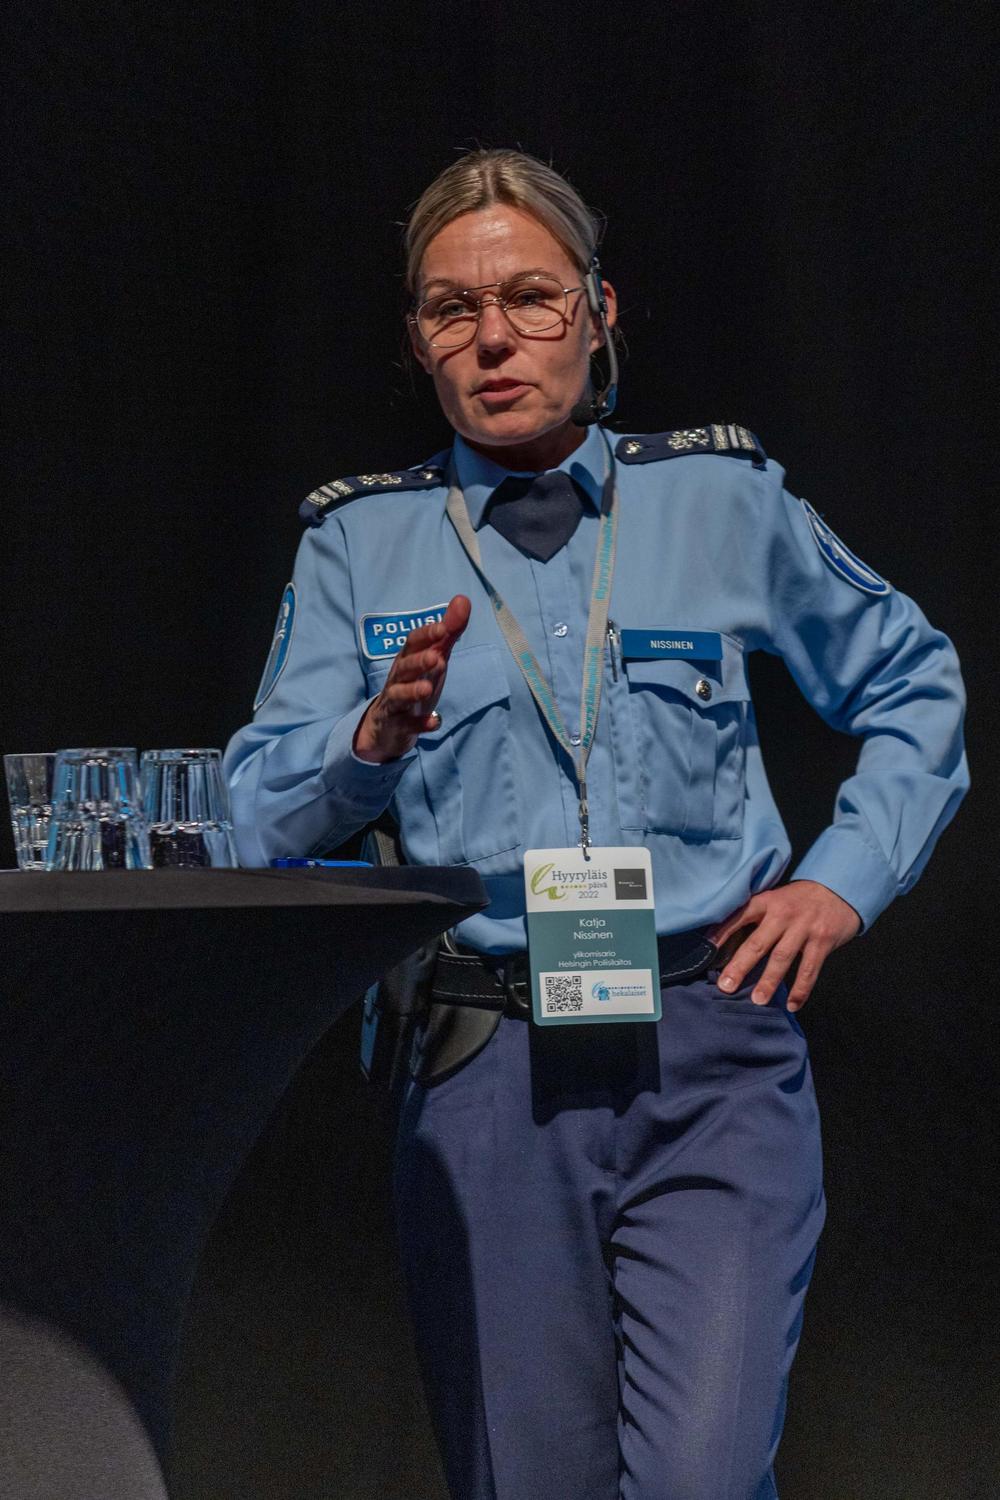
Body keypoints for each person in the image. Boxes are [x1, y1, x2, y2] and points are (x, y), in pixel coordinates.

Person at [224, 149, 968, 1500]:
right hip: (488, 1068)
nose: (493, 337)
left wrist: (843, 880)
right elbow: (250, 815)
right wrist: (365, 744)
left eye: (530, 296)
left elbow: (915, 686)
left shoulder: (721, 501)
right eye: (452, 308)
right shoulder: (359, 544)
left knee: (701, 1477)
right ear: (417, 340)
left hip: (713, 1054)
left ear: (598, 310)